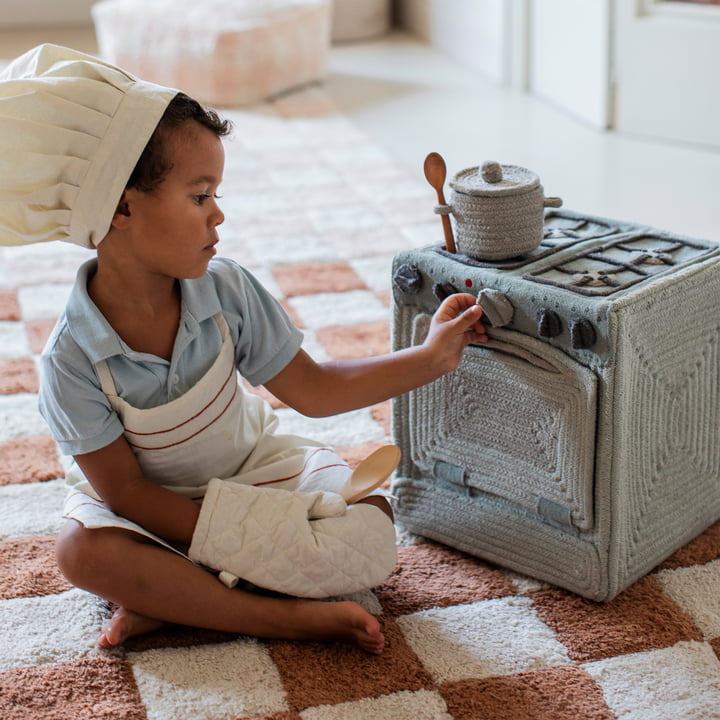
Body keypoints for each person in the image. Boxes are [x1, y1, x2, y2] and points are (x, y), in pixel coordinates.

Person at [0, 45, 487, 655]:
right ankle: (281, 616)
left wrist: (431, 357)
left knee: (372, 527)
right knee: (80, 552)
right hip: (155, 516)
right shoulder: (69, 360)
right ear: (122, 207)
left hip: (254, 471)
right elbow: (126, 494)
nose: (218, 216)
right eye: (200, 196)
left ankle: (181, 601)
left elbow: (314, 391)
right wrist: (250, 535)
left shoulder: (226, 289)